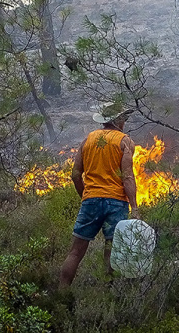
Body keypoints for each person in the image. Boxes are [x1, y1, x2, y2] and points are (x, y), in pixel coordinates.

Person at [58, 102, 139, 288]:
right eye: (124, 118)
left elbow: (76, 174)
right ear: (117, 120)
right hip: (116, 203)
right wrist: (134, 207)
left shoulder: (88, 140)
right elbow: (127, 177)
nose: (125, 121)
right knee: (111, 250)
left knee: (75, 252)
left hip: (91, 200)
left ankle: (60, 295)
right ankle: (107, 295)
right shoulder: (124, 141)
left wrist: (85, 196)